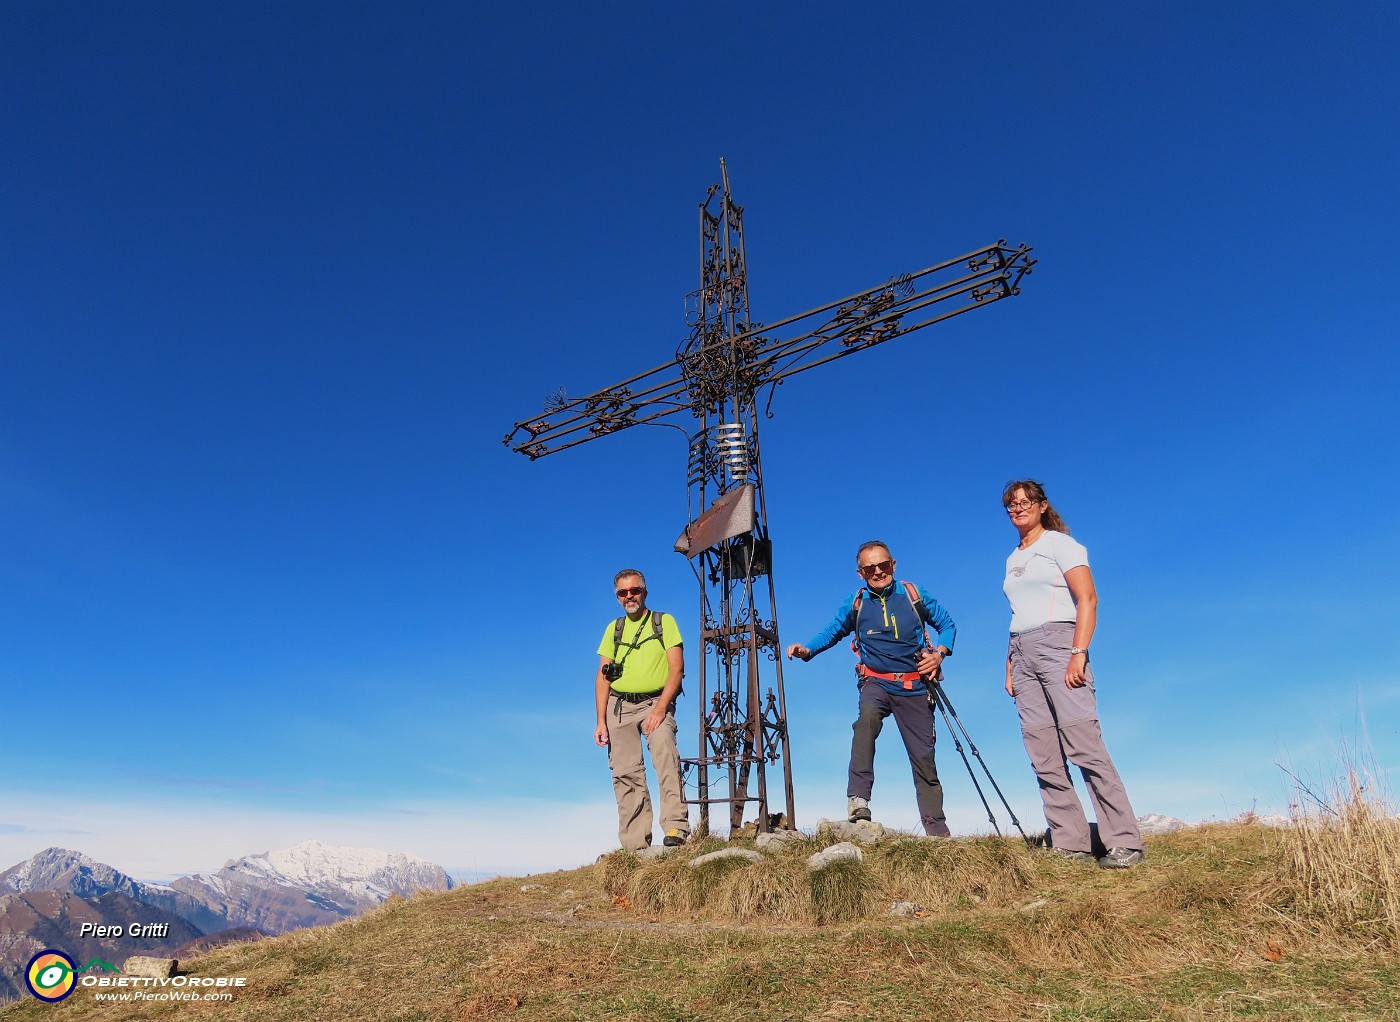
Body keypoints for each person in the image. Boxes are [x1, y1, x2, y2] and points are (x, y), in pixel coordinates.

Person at [1001, 479, 1145, 869]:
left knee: (1084, 744)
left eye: (1024, 502)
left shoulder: (1061, 544)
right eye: (1010, 505)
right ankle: (1071, 843)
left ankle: (1124, 842)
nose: (1017, 509)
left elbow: (1088, 599)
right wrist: (1010, 664)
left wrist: (1078, 652)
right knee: (1042, 753)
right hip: (1023, 652)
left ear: (1042, 506)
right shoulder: (1013, 559)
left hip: (1060, 643)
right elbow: (1018, 614)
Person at [785, 541, 956, 836]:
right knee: (865, 723)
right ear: (860, 573)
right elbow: (833, 630)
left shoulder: (914, 595)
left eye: (883, 565)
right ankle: (858, 800)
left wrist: (939, 654)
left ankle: (937, 831)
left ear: (893, 564)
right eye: (870, 568)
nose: (878, 572)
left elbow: (948, 624)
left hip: (915, 685)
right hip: (875, 680)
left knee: (924, 758)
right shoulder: (858, 601)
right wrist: (807, 649)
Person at [594, 568, 689, 851]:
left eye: (634, 590)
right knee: (625, 772)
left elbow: (677, 668)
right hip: (619, 707)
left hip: (654, 703)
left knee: (665, 755)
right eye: (622, 593)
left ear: (644, 592)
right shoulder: (614, 629)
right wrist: (600, 721)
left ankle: (675, 826)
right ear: (617, 597)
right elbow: (602, 676)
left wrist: (661, 709)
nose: (629, 596)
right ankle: (634, 843)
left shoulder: (663, 622)